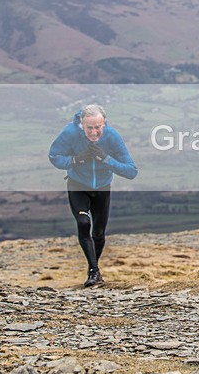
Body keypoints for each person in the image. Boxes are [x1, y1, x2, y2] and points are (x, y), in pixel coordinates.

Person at [48, 104, 137, 287]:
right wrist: (74, 160)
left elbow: (131, 171)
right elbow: (54, 156)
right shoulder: (70, 133)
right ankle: (94, 271)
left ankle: (93, 270)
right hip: (78, 185)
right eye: (90, 128)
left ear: (104, 124)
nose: (94, 132)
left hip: (102, 188)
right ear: (82, 124)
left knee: (98, 233)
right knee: (83, 223)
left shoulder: (112, 136)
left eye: (98, 127)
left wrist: (106, 159)